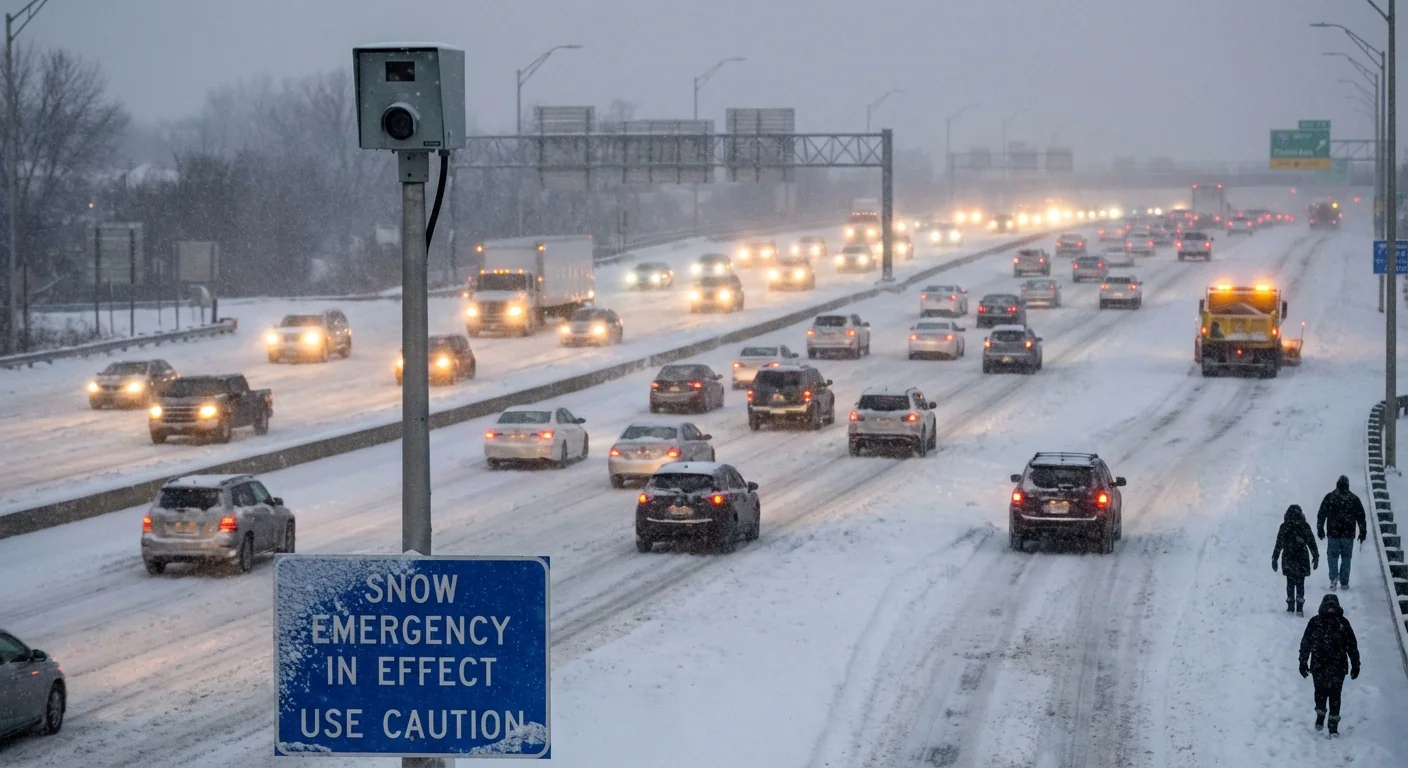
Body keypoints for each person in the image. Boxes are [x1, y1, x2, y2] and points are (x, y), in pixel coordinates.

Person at [1298, 594, 1360, 735]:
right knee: (1335, 695)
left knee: (1320, 692)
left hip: (1319, 664)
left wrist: (1303, 661)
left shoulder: (1316, 622)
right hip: (1338, 665)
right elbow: (1352, 645)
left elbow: (1306, 643)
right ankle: (1333, 725)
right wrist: (1355, 664)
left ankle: (1320, 716)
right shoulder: (1343, 623)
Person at [1316, 475, 1368, 590]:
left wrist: (1320, 528)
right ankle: (1344, 582)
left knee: (1332, 557)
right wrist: (1362, 531)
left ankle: (1333, 578)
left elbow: (1321, 514)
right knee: (1346, 558)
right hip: (1348, 535)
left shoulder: (1330, 497)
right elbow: (1361, 517)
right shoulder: (1354, 499)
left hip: (1333, 533)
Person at [1272, 504, 1318, 615]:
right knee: (1300, 582)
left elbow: (1279, 543)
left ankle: (1290, 605)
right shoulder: (1304, 526)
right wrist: (1315, 555)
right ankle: (1300, 606)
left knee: (1290, 582)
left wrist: (1275, 557)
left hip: (1288, 556)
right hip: (1302, 557)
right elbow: (1311, 541)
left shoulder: (1285, 526)